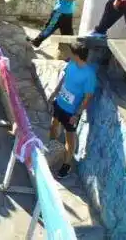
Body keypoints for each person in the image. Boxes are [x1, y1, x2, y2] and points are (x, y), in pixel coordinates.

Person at [49, 41, 96, 179]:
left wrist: (77, 114)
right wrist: (53, 94)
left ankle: (66, 164)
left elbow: (88, 97)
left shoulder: (89, 75)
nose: (69, 54)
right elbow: (63, 80)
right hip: (59, 104)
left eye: (72, 52)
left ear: (77, 55)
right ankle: (53, 149)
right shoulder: (71, 64)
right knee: (53, 126)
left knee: (70, 139)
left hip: (71, 112)